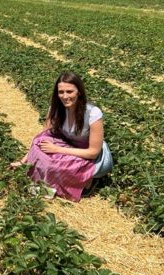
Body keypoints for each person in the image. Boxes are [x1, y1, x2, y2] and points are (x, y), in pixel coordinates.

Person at [10, 71, 113, 202]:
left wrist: (57, 150)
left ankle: (88, 182)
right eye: (61, 92)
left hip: (87, 157)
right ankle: (54, 180)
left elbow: (93, 152)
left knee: (53, 165)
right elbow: (41, 137)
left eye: (69, 92)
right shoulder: (56, 108)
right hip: (67, 146)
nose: (65, 96)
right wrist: (23, 161)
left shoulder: (92, 113)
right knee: (40, 142)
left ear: (79, 92)